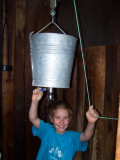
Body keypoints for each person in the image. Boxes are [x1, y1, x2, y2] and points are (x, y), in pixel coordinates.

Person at [29, 87, 99, 160]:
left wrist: (91, 123)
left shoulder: (72, 137)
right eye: (57, 118)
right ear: (51, 119)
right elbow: (33, 118)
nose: (61, 122)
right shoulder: (46, 130)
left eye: (65, 118)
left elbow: (86, 136)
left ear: (70, 119)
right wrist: (35, 102)